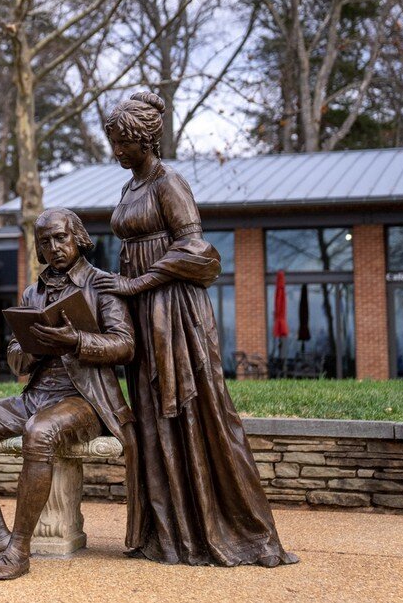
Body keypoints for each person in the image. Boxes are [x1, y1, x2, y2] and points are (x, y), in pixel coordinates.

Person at [96, 91, 298, 567]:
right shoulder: (129, 189)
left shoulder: (170, 183)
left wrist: (139, 281)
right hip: (141, 314)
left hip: (175, 313)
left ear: (145, 140)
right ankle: (170, 534)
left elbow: (197, 250)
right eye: (113, 143)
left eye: (123, 142)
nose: (117, 152)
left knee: (199, 411)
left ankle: (236, 530)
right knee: (151, 413)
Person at [0, 208, 143, 581]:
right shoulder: (33, 292)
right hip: (36, 396)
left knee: (39, 430)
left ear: (78, 238)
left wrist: (76, 340)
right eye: (45, 241)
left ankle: (18, 547)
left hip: (87, 401)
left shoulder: (101, 284)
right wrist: (32, 348)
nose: (54, 247)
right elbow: (15, 358)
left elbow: (125, 345)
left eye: (61, 238)